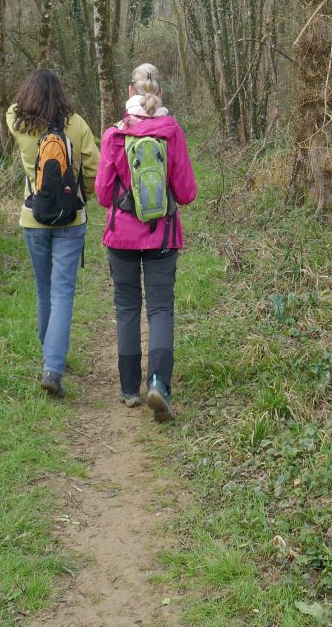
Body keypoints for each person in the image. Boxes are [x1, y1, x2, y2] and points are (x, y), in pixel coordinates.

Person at [96, 63, 197, 422]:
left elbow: (103, 195)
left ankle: (129, 389)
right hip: (162, 235)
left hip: (121, 237)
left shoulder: (115, 135)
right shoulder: (172, 132)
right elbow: (186, 192)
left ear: (130, 91)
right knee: (160, 309)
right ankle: (158, 384)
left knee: (127, 307)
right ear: (160, 93)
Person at [7, 69, 99, 398]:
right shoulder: (77, 125)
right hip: (70, 220)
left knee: (44, 290)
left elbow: (12, 109)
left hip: (33, 218)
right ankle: (53, 367)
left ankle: (50, 357)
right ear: (61, 93)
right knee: (62, 293)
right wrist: (83, 195)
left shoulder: (18, 122)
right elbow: (94, 168)